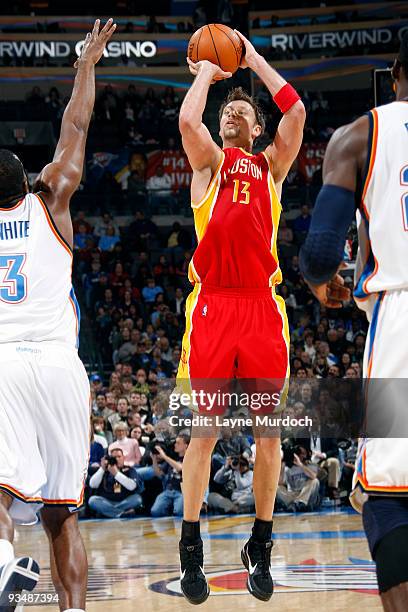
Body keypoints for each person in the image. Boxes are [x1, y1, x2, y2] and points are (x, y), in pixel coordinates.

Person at [176, 29, 305, 604]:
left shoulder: (271, 169)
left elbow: (296, 110)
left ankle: (262, 542)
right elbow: (187, 122)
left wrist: (250, 59)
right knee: (201, 435)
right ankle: (191, 550)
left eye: (240, 112)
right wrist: (208, 71)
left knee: (268, 435)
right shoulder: (209, 163)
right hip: (212, 307)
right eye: (225, 111)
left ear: (256, 130)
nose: (230, 115)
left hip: (260, 307)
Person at [0, 19, 116, 612]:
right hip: (59, 365)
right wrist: (85, 65)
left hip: (5, 366)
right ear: (29, 180)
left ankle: (1, 568)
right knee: (61, 512)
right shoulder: (53, 199)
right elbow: (75, 124)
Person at [299, 33, 408, 612]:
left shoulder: (359, 135)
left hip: (401, 327)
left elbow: (319, 254)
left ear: (396, 74)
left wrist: (323, 283)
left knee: (387, 492)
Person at [88, 449, 143, 518]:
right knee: (92, 500)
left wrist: (116, 474)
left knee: (137, 499)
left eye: (119, 456)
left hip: (125, 501)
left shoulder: (129, 470)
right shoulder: (104, 470)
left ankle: (108, 512)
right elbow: (92, 485)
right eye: (114, 457)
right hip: (106, 501)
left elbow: (132, 486)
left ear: (123, 458)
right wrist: (102, 469)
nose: (117, 459)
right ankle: (120, 514)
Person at [150, 434, 190, 517]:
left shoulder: (191, 458)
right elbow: (159, 474)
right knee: (155, 512)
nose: (175, 445)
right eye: (175, 443)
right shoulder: (173, 458)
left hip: (182, 492)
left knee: (179, 512)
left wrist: (164, 456)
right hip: (168, 490)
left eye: (178, 443)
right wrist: (154, 460)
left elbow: (180, 468)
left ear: (186, 445)